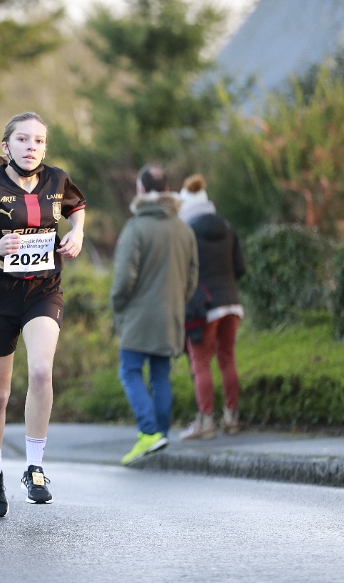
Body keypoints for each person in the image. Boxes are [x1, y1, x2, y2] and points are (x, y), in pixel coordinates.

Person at [0, 112, 86, 518]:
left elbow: (77, 207)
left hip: (43, 291)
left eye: (39, 140)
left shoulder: (57, 180)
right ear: (6, 146)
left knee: (41, 371)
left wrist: (76, 231)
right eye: (23, 140)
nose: (31, 147)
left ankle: (35, 468)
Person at [110, 164, 198, 466]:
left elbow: (124, 279)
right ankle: (161, 434)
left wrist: (118, 306)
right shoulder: (184, 229)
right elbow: (192, 278)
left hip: (137, 318)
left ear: (141, 190)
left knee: (130, 372)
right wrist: (177, 302)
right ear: (167, 190)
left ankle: (148, 432)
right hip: (171, 316)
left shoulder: (136, 228)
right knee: (161, 376)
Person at [177, 174, 246, 439]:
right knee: (227, 358)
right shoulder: (226, 227)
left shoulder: (187, 231)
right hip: (232, 304)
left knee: (201, 362)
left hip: (203, 307)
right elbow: (240, 267)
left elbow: (182, 273)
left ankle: (205, 422)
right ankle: (232, 417)